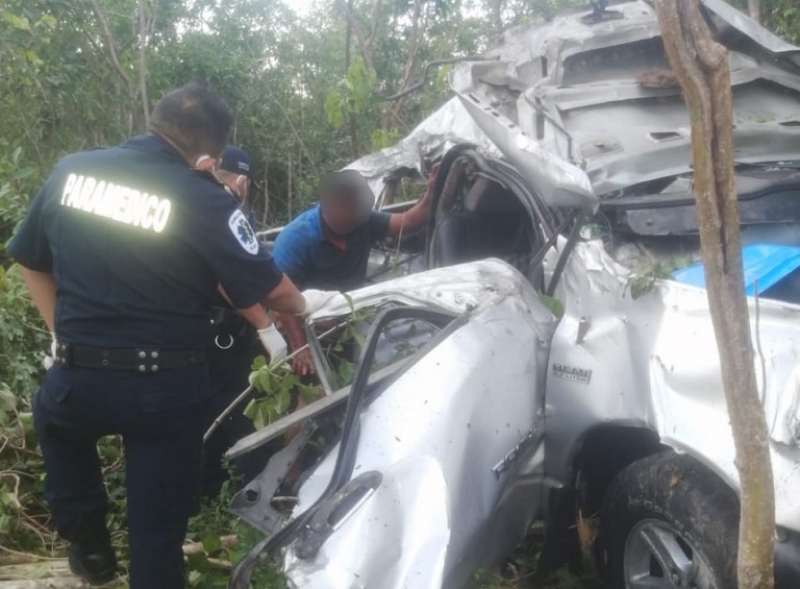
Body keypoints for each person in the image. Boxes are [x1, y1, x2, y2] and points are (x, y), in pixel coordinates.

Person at [8, 83, 335, 588]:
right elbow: (280, 294)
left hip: (77, 377)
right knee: (158, 535)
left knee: (59, 431)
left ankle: (90, 545)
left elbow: (29, 261)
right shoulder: (203, 196)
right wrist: (309, 304)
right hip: (164, 391)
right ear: (211, 155)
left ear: (154, 122)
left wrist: (61, 337)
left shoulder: (71, 171)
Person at [272, 166, 437, 375]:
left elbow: (406, 222)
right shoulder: (297, 239)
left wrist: (430, 194)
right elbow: (281, 302)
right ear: (327, 208)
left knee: (348, 374)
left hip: (345, 320)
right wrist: (300, 347)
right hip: (304, 326)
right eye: (347, 213)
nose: (354, 218)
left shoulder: (363, 220)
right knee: (311, 385)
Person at [201, 144, 285, 497]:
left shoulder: (192, 205)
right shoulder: (220, 212)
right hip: (222, 337)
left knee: (208, 416)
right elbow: (229, 279)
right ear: (241, 180)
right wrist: (267, 325)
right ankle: (253, 494)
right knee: (244, 413)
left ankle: (208, 496)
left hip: (194, 337)